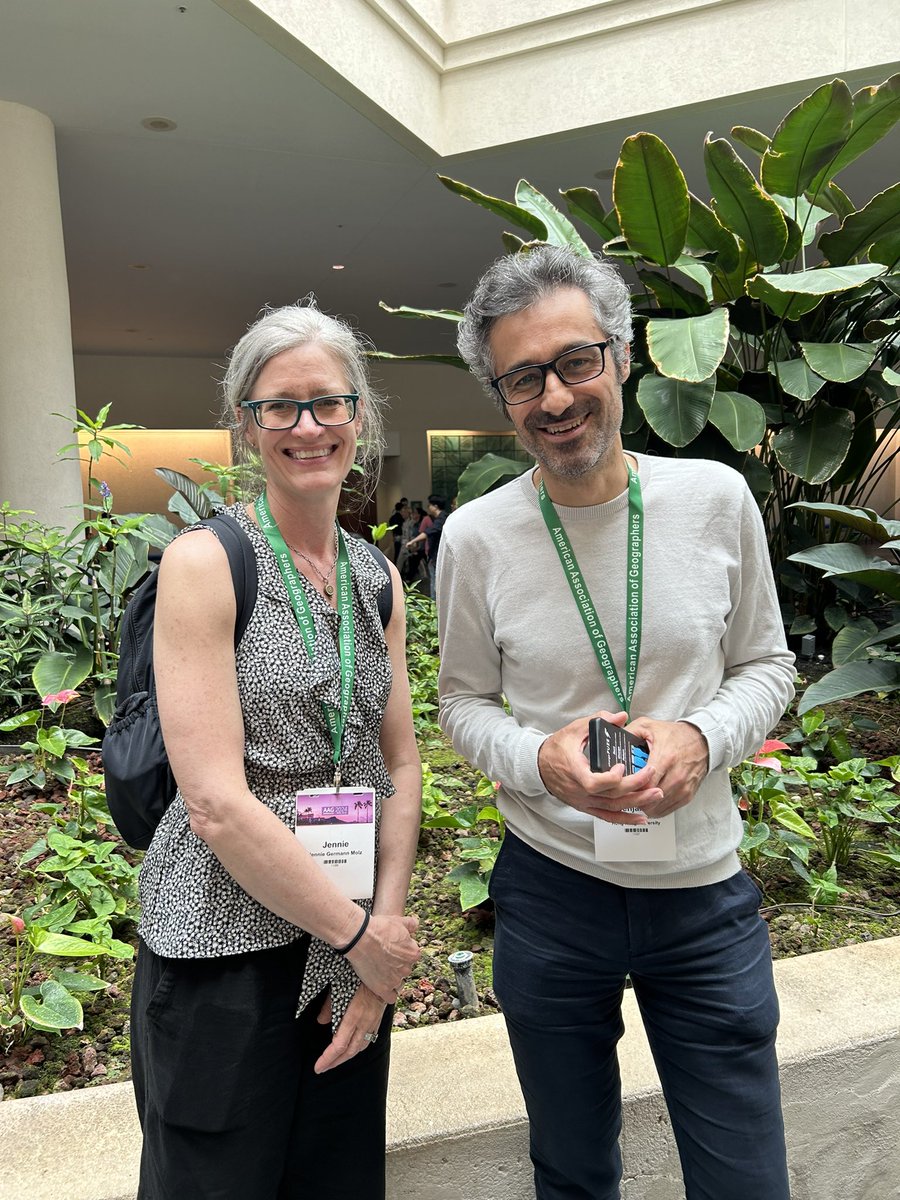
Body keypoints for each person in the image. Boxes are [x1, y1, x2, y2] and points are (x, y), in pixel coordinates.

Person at [436, 247, 795, 1200]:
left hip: (701, 893)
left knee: (746, 1176)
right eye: (523, 378)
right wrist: (535, 759)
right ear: (502, 397)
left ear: (623, 356)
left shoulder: (716, 500)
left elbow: (769, 664)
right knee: (573, 1170)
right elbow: (461, 703)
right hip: (552, 891)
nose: (554, 397)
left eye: (575, 362)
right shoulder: (475, 537)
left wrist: (703, 737)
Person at [131, 300, 422, 1199]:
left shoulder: (377, 577)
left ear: (359, 418)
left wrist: (378, 940)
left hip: (345, 944)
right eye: (279, 407)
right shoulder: (207, 564)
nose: (307, 426)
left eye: (328, 403)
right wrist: (357, 935)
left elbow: (401, 768)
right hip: (224, 948)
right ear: (246, 426)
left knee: (336, 1178)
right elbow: (214, 802)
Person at [406, 494, 448, 598]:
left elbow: (428, 532)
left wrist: (412, 541)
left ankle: (434, 607)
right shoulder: (441, 517)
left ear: (435, 506)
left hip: (436, 555)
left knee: (435, 582)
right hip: (435, 554)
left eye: (429, 505)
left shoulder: (441, 519)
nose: (428, 508)